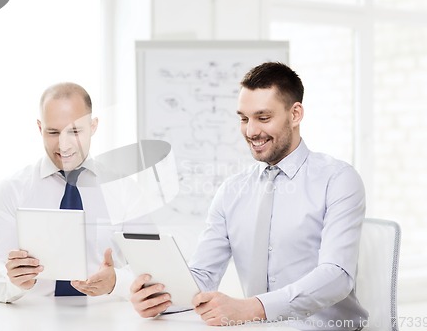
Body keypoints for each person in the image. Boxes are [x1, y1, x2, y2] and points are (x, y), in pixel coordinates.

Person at [129, 62, 369, 330]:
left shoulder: (337, 179)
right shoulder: (232, 191)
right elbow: (203, 275)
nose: (251, 131)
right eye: (244, 118)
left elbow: (337, 276)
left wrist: (251, 308)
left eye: (263, 118)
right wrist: (160, 298)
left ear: (295, 114)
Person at [0, 82, 132, 303]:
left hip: (106, 319)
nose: (64, 145)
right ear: (40, 128)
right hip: (31, 321)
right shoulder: (11, 190)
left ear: (93, 126)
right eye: (53, 132)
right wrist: (11, 281)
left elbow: (151, 268)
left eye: (75, 131)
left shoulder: (124, 189)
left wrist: (117, 282)